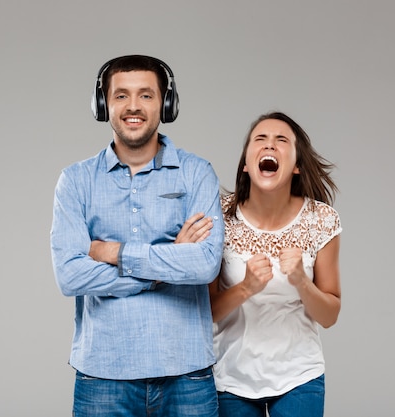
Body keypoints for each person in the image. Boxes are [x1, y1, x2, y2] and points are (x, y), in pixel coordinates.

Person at [50, 55, 224, 417]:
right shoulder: (75, 181)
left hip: (187, 372)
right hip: (103, 375)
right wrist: (168, 265)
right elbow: (70, 275)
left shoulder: (197, 173)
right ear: (104, 105)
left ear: (166, 103)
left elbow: (206, 265)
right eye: (121, 96)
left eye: (146, 95)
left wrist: (114, 252)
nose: (133, 106)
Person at [209, 112, 342, 417]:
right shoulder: (219, 217)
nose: (270, 145)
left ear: (296, 165)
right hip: (230, 378)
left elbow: (330, 315)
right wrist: (245, 288)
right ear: (246, 163)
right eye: (260, 139)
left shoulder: (321, 220)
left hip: (299, 375)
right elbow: (206, 313)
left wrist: (301, 282)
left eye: (281, 140)